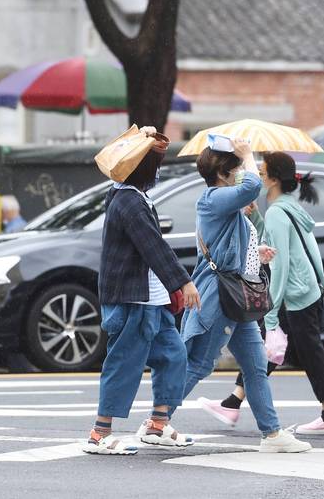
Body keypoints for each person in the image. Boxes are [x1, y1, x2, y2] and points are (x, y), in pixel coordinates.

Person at [177, 139, 312, 453]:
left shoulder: (225, 205)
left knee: (255, 365)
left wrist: (257, 253)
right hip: (222, 297)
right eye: (235, 168)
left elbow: (234, 246)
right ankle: (158, 418)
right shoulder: (212, 199)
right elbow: (252, 187)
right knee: (199, 365)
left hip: (238, 297)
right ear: (224, 174)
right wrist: (248, 156)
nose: (242, 172)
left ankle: (272, 433)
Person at [198, 151, 324, 435]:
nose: (259, 176)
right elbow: (288, 245)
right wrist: (258, 219)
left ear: (274, 179)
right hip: (304, 290)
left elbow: (281, 264)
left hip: (294, 294)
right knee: (268, 350)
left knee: (299, 351)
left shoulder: (279, 211)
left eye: (263, 173)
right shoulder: (287, 207)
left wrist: (272, 312)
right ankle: (233, 402)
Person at [83, 126, 201, 456]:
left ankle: (157, 425)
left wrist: (143, 134)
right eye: (156, 165)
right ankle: (99, 434)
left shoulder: (130, 195)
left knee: (173, 356)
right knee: (124, 365)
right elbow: (154, 247)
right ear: (145, 170)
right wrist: (184, 282)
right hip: (132, 300)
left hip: (151, 299)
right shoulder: (128, 201)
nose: (159, 172)